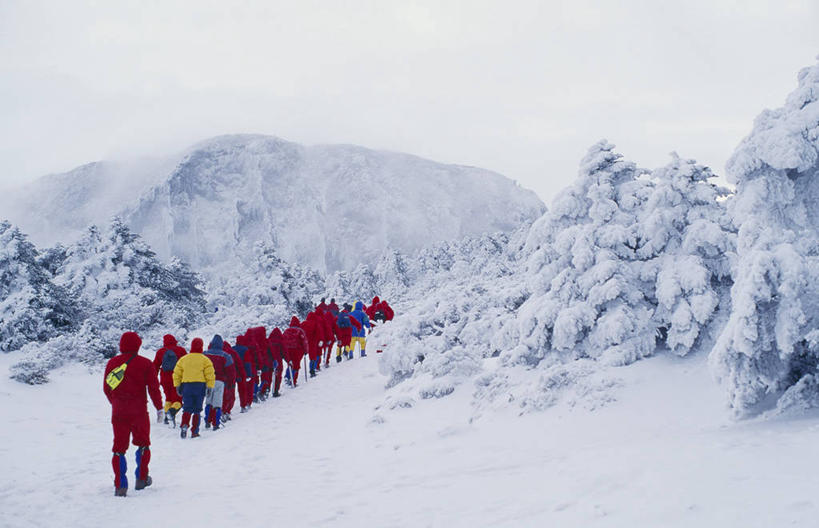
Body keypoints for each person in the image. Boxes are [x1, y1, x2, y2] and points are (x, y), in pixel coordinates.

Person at [104, 331, 163, 497]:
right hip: (139, 411)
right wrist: (159, 407)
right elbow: (153, 388)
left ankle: (120, 485)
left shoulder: (112, 363)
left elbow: (107, 388)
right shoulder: (145, 363)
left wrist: (116, 402)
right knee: (143, 444)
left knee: (119, 448)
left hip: (119, 411)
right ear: (138, 345)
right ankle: (141, 478)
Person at [172, 338, 215, 439]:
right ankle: (195, 431)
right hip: (200, 386)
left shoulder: (184, 359)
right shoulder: (205, 359)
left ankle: (184, 425)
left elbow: (177, 373)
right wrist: (210, 386)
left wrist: (177, 385)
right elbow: (210, 374)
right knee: (197, 410)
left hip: (187, 386)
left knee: (187, 408)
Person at [151, 334, 186, 426]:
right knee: (178, 400)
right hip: (177, 378)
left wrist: (153, 378)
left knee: (168, 398)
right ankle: (171, 412)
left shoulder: (160, 352)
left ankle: (167, 416)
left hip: (164, 378)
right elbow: (186, 365)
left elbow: (155, 366)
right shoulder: (181, 350)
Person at [203, 335, 233, 430]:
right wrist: (230, 383)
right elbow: (230, 371)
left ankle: (207, 420)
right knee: (217, 402)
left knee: (208, 401)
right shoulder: (226, 355)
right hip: (220, 381)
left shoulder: (205, 354)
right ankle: (216, 423)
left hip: (208, 380)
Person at [282, 316, 308, 386]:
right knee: (296, 365)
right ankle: (293, 380)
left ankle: (287, 376)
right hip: (297, 350)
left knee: (290, 363)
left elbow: (282, 341)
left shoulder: (286, 331)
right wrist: (306, 351)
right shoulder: (300, 331)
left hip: (287, 350)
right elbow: (304, 342)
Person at [222, 339, 243, 422]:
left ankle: (218, 413)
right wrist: (239, 375)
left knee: (220, 397)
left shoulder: (213, 353)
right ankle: (227, 411)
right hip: (230, 378)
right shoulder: (231, 353)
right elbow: (238, 364)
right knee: (230, 396)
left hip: (217, 379)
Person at [301, 311, 322, 377]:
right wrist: (320, 340)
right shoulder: (315, 324)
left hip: (304, 343)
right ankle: (312, 371)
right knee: (312, 357)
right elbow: (318, 333)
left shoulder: (303, 323)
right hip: (313, 342)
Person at [268, 327, 285, 397]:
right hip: (278, 361)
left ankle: (266, 391)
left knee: (268, 376)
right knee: (278, 376)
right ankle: (275, 391)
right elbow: (284, 351)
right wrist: (288, 360)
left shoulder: (268, 341)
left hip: (269, 361)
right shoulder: (280, 341)